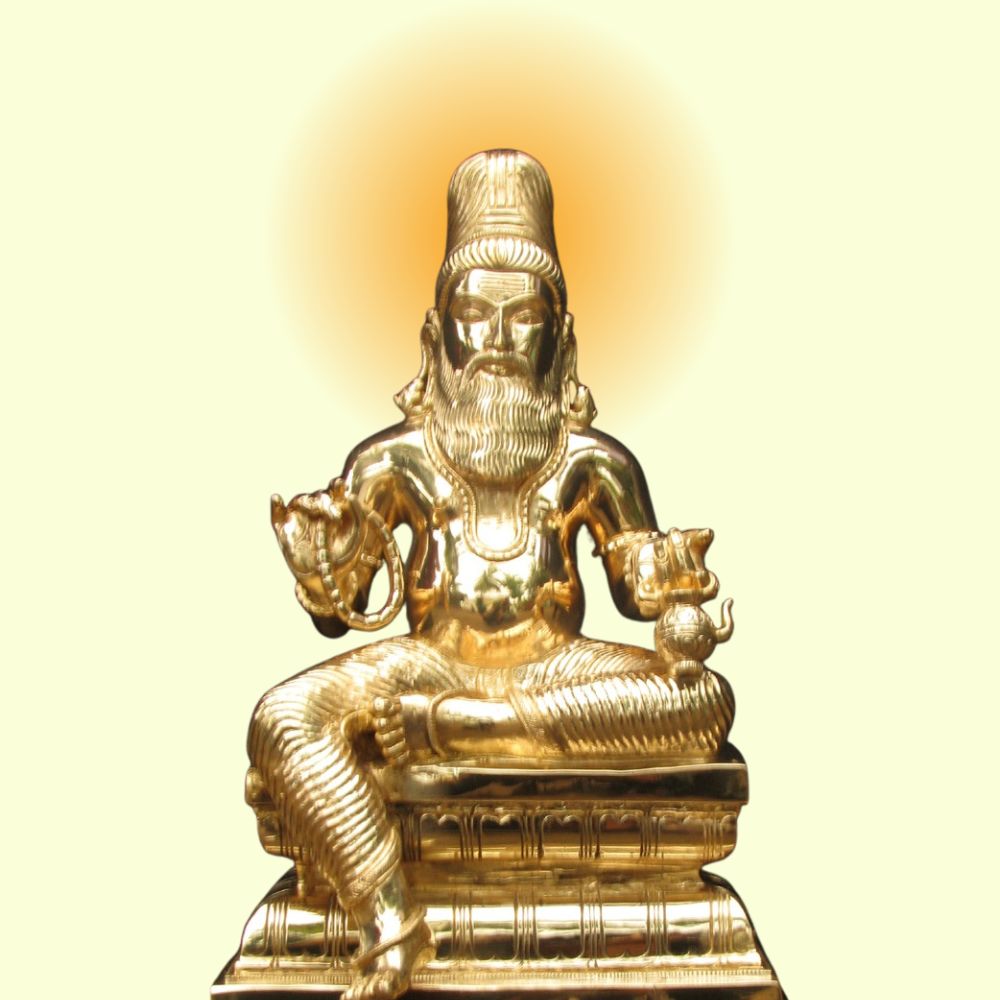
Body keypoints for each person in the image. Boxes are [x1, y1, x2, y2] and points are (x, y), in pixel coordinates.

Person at [252, 149, 734, 1000]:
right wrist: (325, 566)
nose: (499, 341)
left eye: (525, 317)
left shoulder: (592, 462)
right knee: (283, 718)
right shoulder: (393, 459)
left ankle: (461, 729)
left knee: (701, 702)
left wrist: (671, 581)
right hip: (423, 666)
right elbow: (346, 608)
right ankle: (388, 917)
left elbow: (639, 599)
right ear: (435, 336)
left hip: (556, 671)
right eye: (474, 314)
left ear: (563, 340)